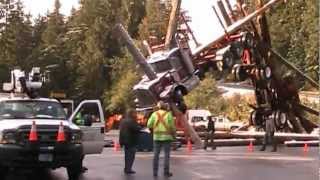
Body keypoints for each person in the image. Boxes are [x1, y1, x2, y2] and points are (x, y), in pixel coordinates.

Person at [147, 101, 176, 178]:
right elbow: (172, 127)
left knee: (156, 155)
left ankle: (155, 172)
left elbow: (148, 124)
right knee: (166, 155)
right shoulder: (169, 114)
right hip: (167, 138)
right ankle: (166, 172)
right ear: (165, 107)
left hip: (156, 137)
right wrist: (174, 135)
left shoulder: (154, 114)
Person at [119, 109, 142, 174]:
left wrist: (121, 141)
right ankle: (128, 169)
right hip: (131, 141)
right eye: (135, 113)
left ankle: (126, 168)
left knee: (127, 156)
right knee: (131, 156)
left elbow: (121, 132)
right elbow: (137, 128)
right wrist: (140, 126)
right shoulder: (132, 121)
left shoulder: (123, 121)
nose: (136, 114)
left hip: (125, 141)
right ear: (132, 114)